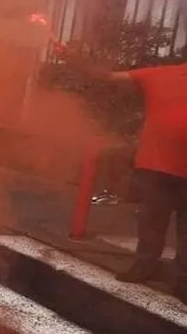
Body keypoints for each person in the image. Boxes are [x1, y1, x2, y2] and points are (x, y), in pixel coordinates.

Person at [71, 54, 187, 298]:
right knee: (151, 222)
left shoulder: (157, 74)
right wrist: (77, 59)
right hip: (156, 164)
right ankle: (145, 265)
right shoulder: (158, 74)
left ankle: (184, 280)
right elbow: (109, 77)